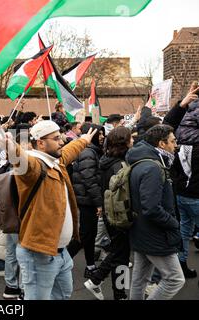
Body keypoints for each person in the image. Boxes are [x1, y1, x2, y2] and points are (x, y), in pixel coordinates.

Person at [0, 120, 97, 300]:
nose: (62, 142)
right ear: (41, 143)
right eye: (57, 138)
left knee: (62, 295)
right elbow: (23, 162)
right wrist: (12, 148)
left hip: (60, 252)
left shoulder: (55, 161)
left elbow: (69, 151)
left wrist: (84, 140)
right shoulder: (34, 166)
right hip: (39, 255)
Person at [128, 124, 185, 300]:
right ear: (161, 143)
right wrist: (173, 223)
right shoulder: (152, 167)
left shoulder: (142, 161)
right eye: (173, 141)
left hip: (142, 231)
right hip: (156, 234)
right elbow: (151, 207)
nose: (175, 145)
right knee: (175, 279)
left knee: (140, 279)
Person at [83, 126, 134, 300]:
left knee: (119, 252)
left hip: (109, 212)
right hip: (119, 214)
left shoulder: (106, 159)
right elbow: (124, 192)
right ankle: (118, 293)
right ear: (124, 142)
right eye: (130, 139)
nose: (133, 141)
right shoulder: (120, 165)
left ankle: (103, 284)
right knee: (121, 256)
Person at [163, 84, 199, 279]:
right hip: (195, 196)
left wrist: (181, 105)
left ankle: (182, 264)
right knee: (184, 230)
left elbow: (166, 124)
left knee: (184, 230)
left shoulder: (176, 138)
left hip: (181, 194)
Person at [68, 124, 105, 279]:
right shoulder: (88, 152)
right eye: (100, 134)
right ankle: (61, 262)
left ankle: (90, 266)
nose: (102, 137)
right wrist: (98, 203)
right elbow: (89, 179)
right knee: (84, 235)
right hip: (87, 200)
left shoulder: (93, 150)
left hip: (88, 198)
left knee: (90, 234)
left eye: (103, 134)